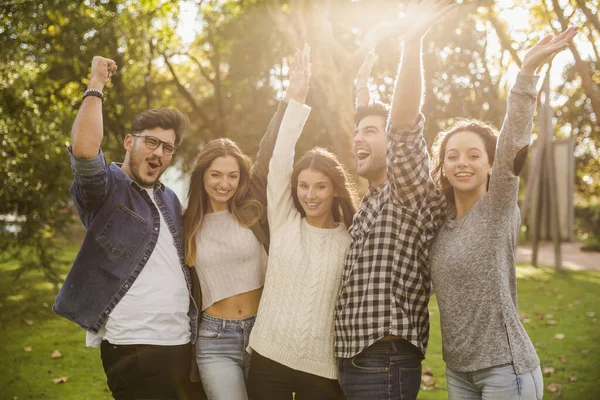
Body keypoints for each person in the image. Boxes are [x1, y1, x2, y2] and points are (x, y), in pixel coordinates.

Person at [429, 26, 579, 399]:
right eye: (453, 156)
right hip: (458, 371)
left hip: (505, 371)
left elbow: (513, 140)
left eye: (474, 155)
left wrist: (526, 73)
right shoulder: (442, 224)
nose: (462, 163)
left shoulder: (496, 208)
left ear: (491, 165)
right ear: (443, 166)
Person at [53, 56, 202, 399]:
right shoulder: (108, 188)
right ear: (129, 142)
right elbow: (85, 150)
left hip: (182, 342)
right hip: (135, 347)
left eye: (167, 148)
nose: (159, 153)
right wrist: (96, 84)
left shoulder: (170, 200)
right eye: (151, 142)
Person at [334, 1, 456, 399]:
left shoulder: (409, 192)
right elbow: (376, 131)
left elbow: (401, 126)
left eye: (370, 131)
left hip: (384, 361)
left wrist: (411, 42)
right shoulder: (371, 201)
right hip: (352, 359)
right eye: (357, 132)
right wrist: (363, 93)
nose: (357, 139)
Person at [183, 47, 310, 400]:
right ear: (202, 176)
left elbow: (270, 150)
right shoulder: (186, 223)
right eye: (216, 175)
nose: (224, 183)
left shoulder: (252, 208)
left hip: (264, 333)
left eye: (232, 176)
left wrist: (292, 95)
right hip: (214, 340)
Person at [247, 45, 358, 400]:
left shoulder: (350, 240)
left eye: (321, 187)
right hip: (268, 356)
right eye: (304, 186)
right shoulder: (284, 221)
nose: (311, 195)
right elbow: (280, 160)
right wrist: (296, 96)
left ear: (335, 190)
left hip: (323, 369)